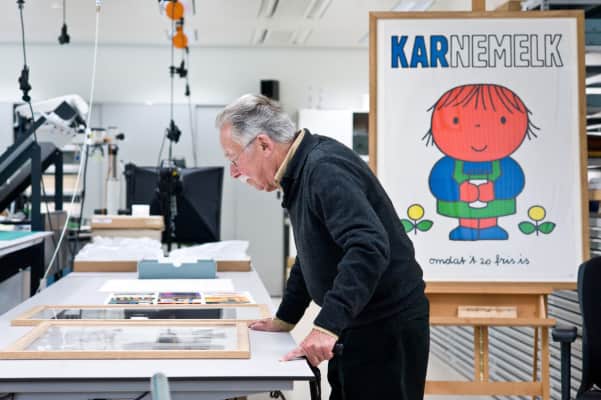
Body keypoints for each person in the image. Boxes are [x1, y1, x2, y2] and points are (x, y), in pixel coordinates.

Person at [216, 94, 429, 399]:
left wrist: (327, 325)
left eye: (233, 158)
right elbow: (312, 254)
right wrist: (285, 318)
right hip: (356, 320)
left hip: (386, 326)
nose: (234, 172)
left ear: (263, 144)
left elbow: (367, 246)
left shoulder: (323, 168)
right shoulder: (299, 172)